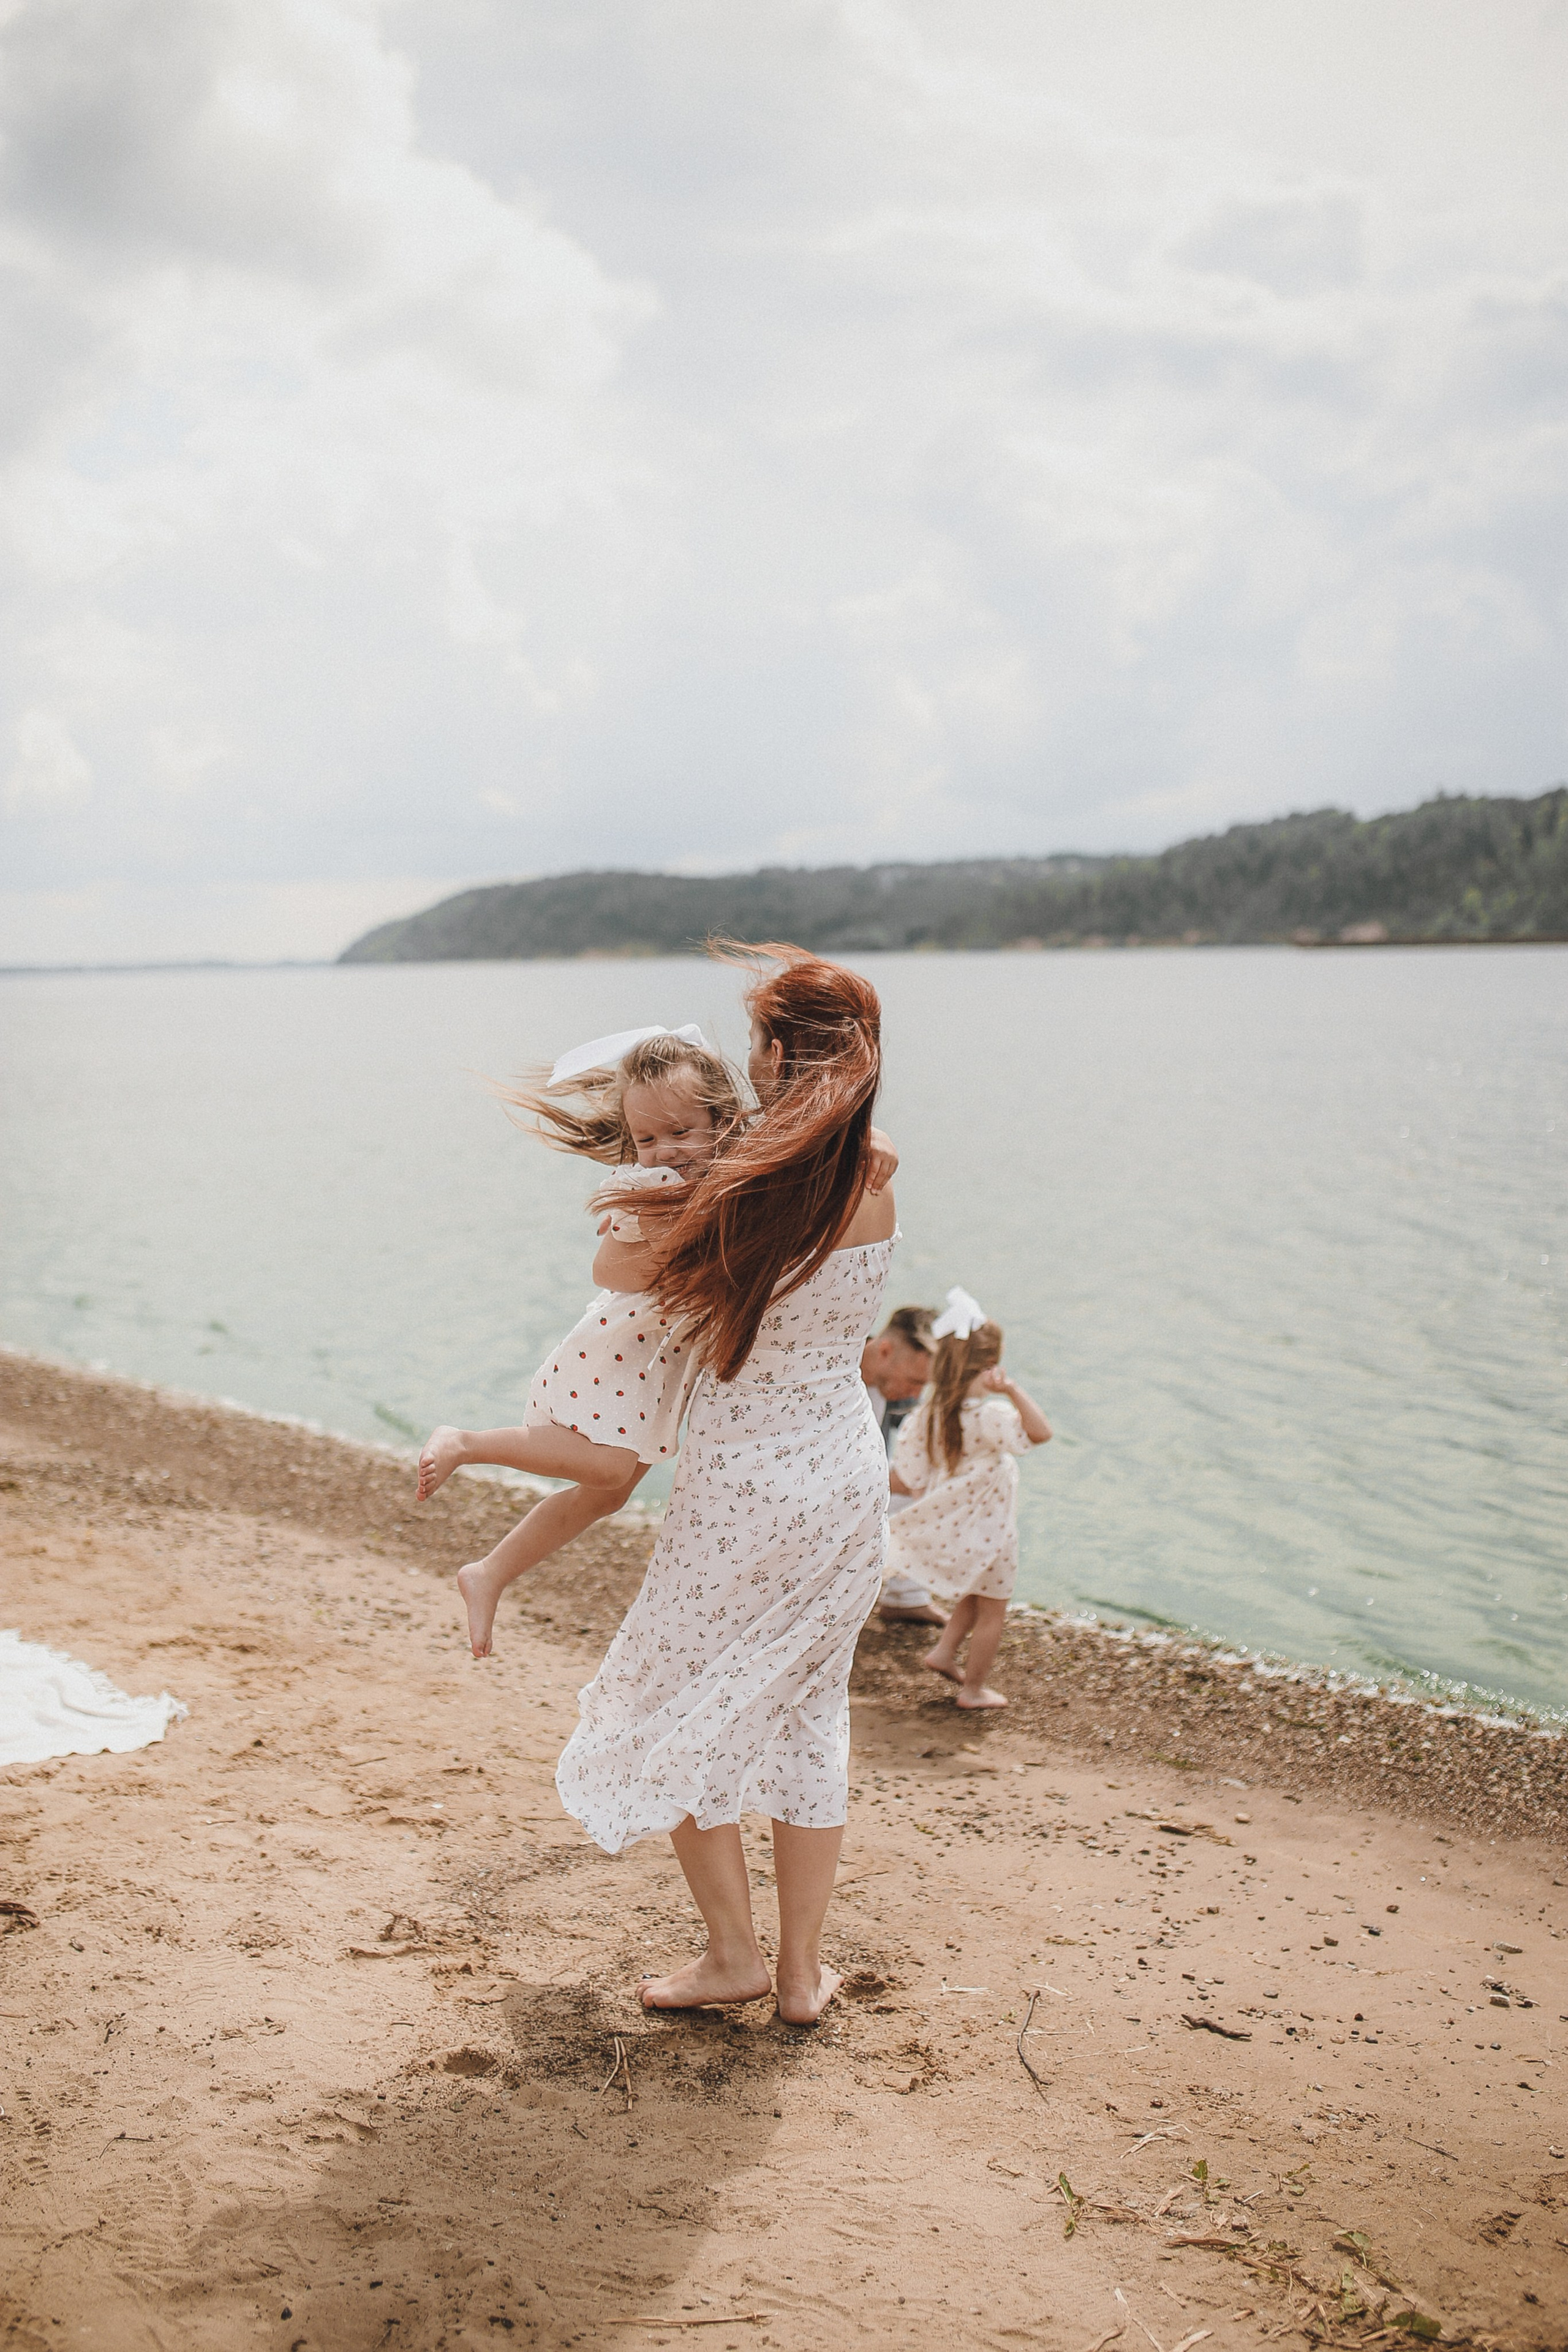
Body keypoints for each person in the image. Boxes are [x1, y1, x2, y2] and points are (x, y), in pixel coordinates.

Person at [555, 943, 897, 2026]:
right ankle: (800, 1977)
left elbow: (618, 1276)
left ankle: (732, 1956)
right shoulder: (872, 1170)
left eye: (756, 1041)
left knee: (673, 1700)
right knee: (809, 1716)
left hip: (745, 1477)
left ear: (776, 1052)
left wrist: (651, 1200)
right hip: (845, 1468)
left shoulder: (742, 1193)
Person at [415, 1027, 744, 1658]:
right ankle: (466, 1442)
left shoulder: (728, 1174)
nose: (664, 1151)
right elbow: (613, 1268)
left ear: (721, 1121)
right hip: (628, 1350)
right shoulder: (652, 1191)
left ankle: (489, 1573)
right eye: (646, 1140)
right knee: (608, 1468)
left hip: (664, 1362)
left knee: (608, 1493)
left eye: (680, 1132)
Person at [886, 1287, 1052, 1711]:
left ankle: (944, 1652)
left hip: (962, 1526)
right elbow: (1040, 1433)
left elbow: (913, 1473)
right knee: (993, 1608)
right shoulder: (989, 1415)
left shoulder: (932, 1413)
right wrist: (1012, 1390)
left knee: (975, 1595)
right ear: (990, 1366)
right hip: (992, 1532)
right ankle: (974, 1689)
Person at [860, 1306, 947, 1626]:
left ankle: (904, 1598)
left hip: (864, 1486)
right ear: (885, 1350)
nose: (917, 1393)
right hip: (819, 1500)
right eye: (915, 1381)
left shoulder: (889, 1384)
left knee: (937, 1487)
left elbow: (923, 1433)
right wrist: (890, 1482)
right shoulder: (837, 1382)